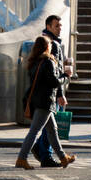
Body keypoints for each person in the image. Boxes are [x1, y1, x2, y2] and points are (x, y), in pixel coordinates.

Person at [16, 36, 74, 170]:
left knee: (52, 130)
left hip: (38, 101)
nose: (51, 47)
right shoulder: (48, 61)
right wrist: (66, 76)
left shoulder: (35, 61)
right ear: (47, 47)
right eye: (50, 45)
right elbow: (53, 82)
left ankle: (63, 157)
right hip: (46, 102)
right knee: (34, 132)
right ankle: (21, 158)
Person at [32, 15, 73, 166]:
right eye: (56, 26)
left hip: (45, 92)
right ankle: (44, 155)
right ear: (48, 26)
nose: (60, 28)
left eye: (60, 26)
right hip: (50, 93)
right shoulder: (52, 45)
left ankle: (42, 151)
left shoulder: (45, 41)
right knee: (44, 129)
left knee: (48, 128)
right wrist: (61, 94)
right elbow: (54, 72)